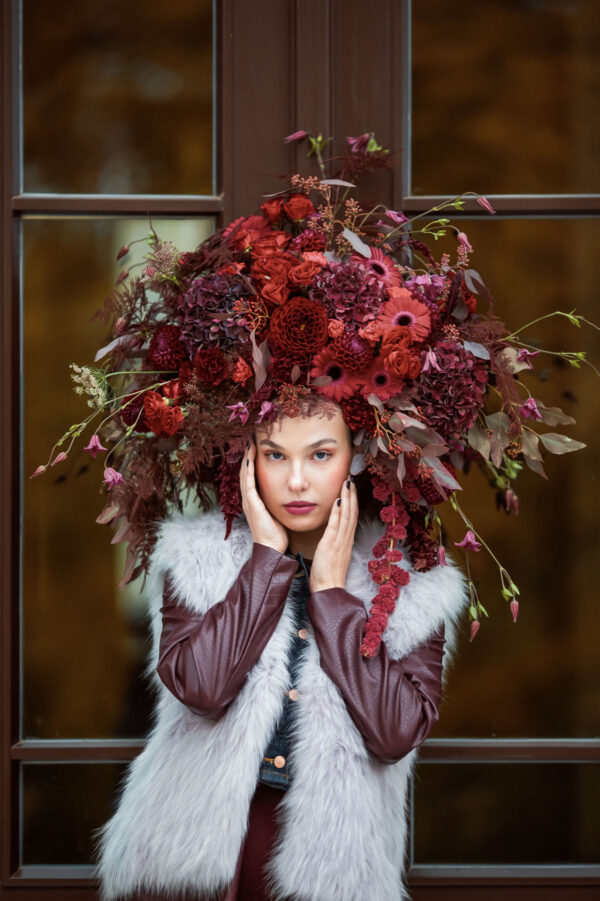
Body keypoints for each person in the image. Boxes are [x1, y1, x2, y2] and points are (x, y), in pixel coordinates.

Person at [93, 397, 469, 901]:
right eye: (274, 455)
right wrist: (265, 561)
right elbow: (202, 688)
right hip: (197, 850)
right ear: (248, 462)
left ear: (357, 460)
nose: (296, 480)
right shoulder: (199, 561)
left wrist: (334, 596)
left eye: (319, 455)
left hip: (330, 859)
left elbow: (395, 732)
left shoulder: (413, 587)